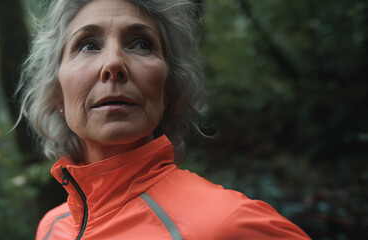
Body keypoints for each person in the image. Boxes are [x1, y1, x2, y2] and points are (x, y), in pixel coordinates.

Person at [17, 0, 311, 239]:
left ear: (168, 89)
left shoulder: (224, 224)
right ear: (58, 95)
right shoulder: (51, 228)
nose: (114, 63)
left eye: (141, 44)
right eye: (88, 45)